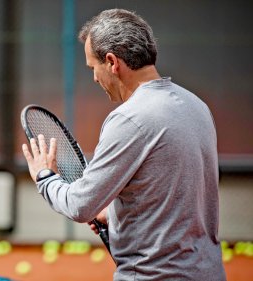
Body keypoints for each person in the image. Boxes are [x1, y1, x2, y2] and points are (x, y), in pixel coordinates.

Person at [22, 9, 225, 280]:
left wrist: (45, 177)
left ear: (112, 62)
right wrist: (115, 217)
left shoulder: (130, 119)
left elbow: (79, 205)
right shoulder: (196, 106)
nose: (94, 78)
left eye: (93, 67)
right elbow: (172, 195)